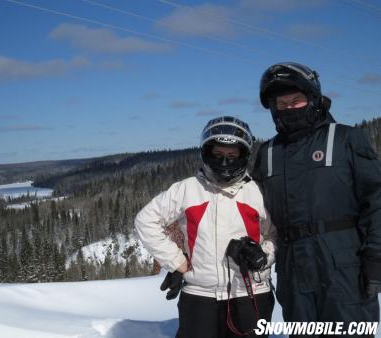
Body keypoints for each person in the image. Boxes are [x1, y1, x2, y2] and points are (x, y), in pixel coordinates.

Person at [252, 62, 381, 336]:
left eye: (296, 101)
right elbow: (248, 210)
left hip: (344, 267)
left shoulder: (346, 139)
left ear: (313, 99)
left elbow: (377, 199)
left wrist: (376, 255)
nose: (289, 108)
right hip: (293, 271)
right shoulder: (268, 153)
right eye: (281, 103)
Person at [135, 116, 276, 338]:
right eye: (218, 155)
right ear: (206, 153)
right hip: (200, 294)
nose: (225, 162)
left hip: (250, 292)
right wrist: (176, 261)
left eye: (232, 155)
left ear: (244, 155)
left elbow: (275, 234)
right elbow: (146, 220)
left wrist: (263, 256)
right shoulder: (188, 190)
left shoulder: (257, 192)